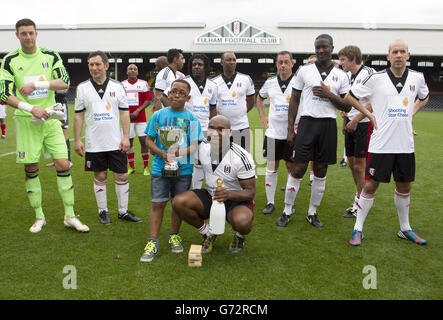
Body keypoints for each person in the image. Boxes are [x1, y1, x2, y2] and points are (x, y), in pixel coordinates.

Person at [0, 18, 89, 233]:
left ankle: (70, 216)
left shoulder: (50, 55)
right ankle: (39, 217)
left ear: (36, 33)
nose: (28, 37)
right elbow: (4, 93)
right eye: (23, 33)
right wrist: (31, 108)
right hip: (26, 121)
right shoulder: (10, 60)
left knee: (62, 163)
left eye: (31, 32)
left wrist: (36, 84)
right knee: (31, 167)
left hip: (50, 119)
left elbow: (64, 82)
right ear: (17, 35)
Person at [279, 34, 374, 228]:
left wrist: (328, 94)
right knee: (298, 168)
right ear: (315, 49)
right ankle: (287, 210)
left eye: (325, 47)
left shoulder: (341, 75)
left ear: (332, 48)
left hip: (328, 125)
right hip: (307, 123)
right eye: (317, 47)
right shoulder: (304, 71)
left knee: (321, 170)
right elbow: (295, 100)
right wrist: (290, 129)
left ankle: (312, 213)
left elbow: (346, 107)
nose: (321, 50)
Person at [345, 40, 429, 246]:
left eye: (402, 52)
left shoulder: (418, 78)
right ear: (388, 56)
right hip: (380, 144)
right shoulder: (376, 78)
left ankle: (405, 228)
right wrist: (368, 115)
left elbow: (424, 97)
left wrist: (412, 114)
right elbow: (350, 96)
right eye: (395, 52)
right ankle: (358, 229)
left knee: (405, 186)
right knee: (370, 185)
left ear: (408, 55)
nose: (398, 55)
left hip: (405, 145)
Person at [74, 51, 142, 224]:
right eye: (91, 64)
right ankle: (103, 211)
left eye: (97, 64)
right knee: (100, 176)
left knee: (122, 176)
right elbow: (78, 116)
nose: (94, 68)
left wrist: (126, 137)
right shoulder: (82, 88)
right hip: (94, 143)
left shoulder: (118, 86)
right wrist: (77, 140)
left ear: (106, 65)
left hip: (115, 141)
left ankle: (123, 211)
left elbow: (125, 114)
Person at [140, 79, 203, 262]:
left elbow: (193, 145)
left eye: (181, 93)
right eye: (173, 91)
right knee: (158, 203)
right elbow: (149, 140)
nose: (176, 95)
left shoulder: (192, 118)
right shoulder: (158, 115)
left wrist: (177, 153)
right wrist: (162, 153)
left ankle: (174, 235)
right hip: (161, 167)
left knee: (177, 204)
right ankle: (153, 241)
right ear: (168, 93)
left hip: (183, 169)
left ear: (188, 97)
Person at [172, 115, 256, 254]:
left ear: (229, 133)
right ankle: (208, 233)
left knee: (242, 222)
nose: (215, 133)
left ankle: (240, 236)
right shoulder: (201, 147)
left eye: (220, 129)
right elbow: (182, 156)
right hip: (211, 195)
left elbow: (250, 192)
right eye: (211, 128)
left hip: (235, 200)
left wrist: (228, 194)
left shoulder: (241, 157)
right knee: (179, 202)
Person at [163, 53, 217, 189]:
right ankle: (179, 190)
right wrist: (174, 112)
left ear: (206, 67)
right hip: (185, 129)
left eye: (200, 64)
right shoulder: (183, 83)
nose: (196, 67)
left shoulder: (213, 85)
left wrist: (213, 127)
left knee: (203, 161)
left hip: (204, 129)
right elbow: (164, 96)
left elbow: (213, 108)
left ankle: (198, 190)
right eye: (194, 64)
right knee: (184, 161)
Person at [256, 51, 296, 215]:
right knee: (271, 167)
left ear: (292, 64)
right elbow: (259, 98)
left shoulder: (298, 82)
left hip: (292, 133)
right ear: (276, 64)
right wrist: (263, 116)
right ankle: (270, 202)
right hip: (272, 133)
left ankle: (290, 204)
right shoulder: (270, 82)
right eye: (280, 62)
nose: (283, 65)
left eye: (287, 62)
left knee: (291, 167)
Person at [338, 45, 376, 218]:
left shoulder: (369, 74)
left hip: (363, 123)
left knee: (360, 166)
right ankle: (359, 197)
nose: (341, 63)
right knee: (352, 164)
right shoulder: (347, 76)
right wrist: (345, 112)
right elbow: (349, 99)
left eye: (343, 59)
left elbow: (372, 102)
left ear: (353, 59)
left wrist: (355, 119)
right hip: (350, 123)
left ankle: (361, 203)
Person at [212, 52, 255, 151]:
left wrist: (240, 112)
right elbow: (212, 106)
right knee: (219, 158)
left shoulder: (246, 79)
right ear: (222, 62)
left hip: (241, 127)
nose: (232, 62)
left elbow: (251, 101)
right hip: (221, 128)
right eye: (228, 59)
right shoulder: (214, 82)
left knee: (242, 159)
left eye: (234, 60)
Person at [121, 64, 153, 175]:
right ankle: (131, 167)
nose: (133, 70)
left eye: (135, 69)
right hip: (127, 119)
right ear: (127, 71)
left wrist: (138, 110)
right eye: (130, 68)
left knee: (144, 141)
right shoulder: (122, 85)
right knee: (128, 142)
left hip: (141, 118)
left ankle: (145, 167)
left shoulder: (143, 84)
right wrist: (126, 113)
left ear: (137, 72)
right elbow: (119, 101)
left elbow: (148, 100)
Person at [46, 88, 72, 167]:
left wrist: (51, 87)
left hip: (60, 106)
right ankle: (57, 160)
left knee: (63, 133)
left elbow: (63, 92)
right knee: (53, 133)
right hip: (50, 106)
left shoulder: (61, 77)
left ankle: (68, 160)